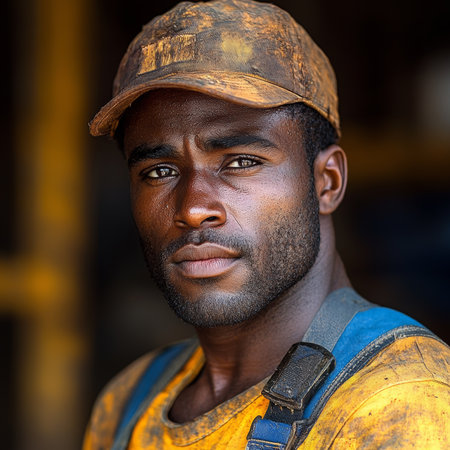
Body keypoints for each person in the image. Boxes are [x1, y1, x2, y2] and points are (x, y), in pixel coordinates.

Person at [83, 0, 450, 448]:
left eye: (240, 161)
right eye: (159, 171)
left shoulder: (398, 401)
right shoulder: (128, 404)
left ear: (326, 182)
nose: (194, 208)